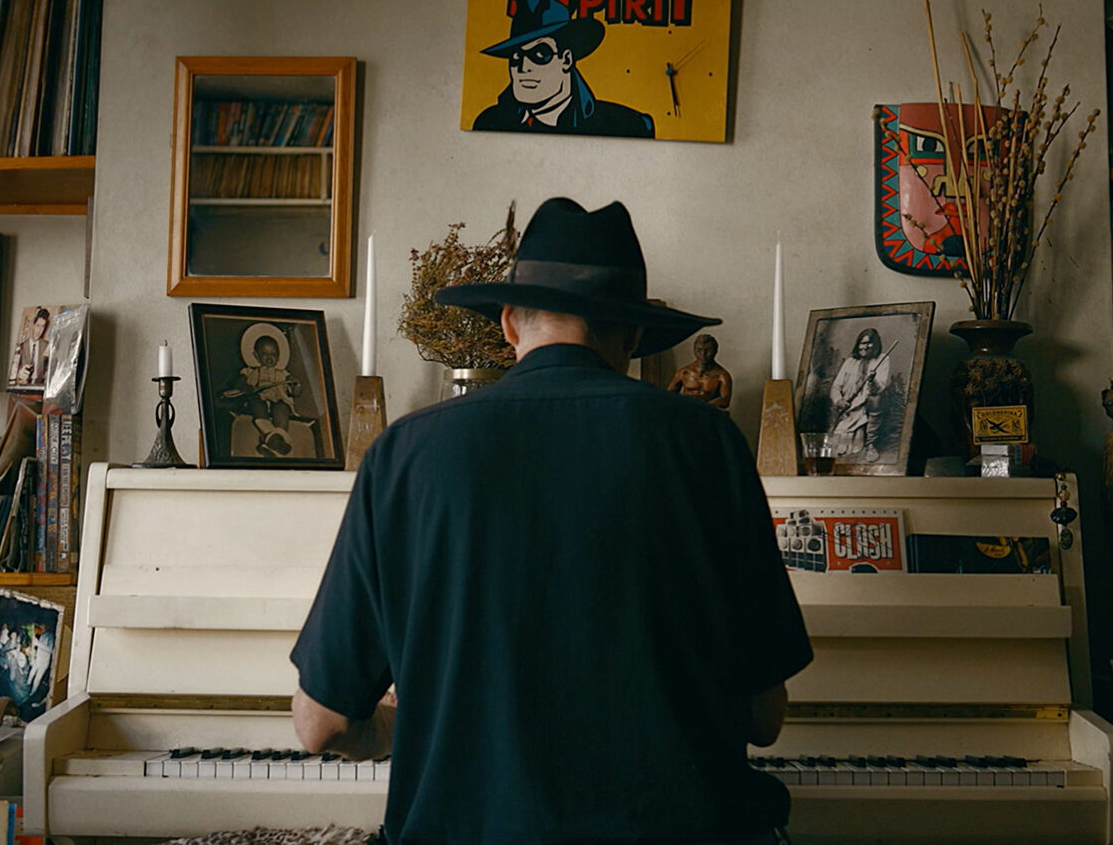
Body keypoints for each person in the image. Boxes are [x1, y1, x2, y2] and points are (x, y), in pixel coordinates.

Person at [292, 197, 813, 844]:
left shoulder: (405, 453)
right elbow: (764, 719)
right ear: (632, 337)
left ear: (509, 324)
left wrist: (404, 724)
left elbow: (321, 725)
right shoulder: (709, 444)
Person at [471, 0, 655, 138]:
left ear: (566, 60)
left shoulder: (627, 125)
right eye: (516, 57)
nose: (522, 67)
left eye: (539, 54)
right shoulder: (488, 122)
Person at [217, 324, 306, 457]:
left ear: (279, 356)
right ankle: (276, 440)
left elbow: (296, 393)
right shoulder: (251, 371)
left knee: (282, 408)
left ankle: (273, 439)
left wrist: (296, 385)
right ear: (256, 355)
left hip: (278, 400)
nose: (269, 357)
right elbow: (238, 381)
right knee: (256, 404)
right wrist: (244, 385)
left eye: (273, 354)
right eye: (265, 354)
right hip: (258, 399)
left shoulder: (283, 374)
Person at [828, 327, 891, 458]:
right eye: (862, 343)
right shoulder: (850, 362)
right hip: (848, 407)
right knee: (840, 440)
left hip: (867, 405)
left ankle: (871, 444)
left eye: (869, 343)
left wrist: (872, 381)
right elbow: (836, 387)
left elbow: (879, 389)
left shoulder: (882, 359)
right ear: (858, 344)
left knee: (876, 399)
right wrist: (839, 401)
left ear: (876, 344)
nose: (865, 347)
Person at [668, 332, 734, 410]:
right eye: (699, 350)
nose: (703, 354)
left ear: (715, 351)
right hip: (686, 411)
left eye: (708, 350)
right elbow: (669, 396)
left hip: (708, 413)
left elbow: (725, 401)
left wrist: (702, 408)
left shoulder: (722, 375)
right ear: (694, 350)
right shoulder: (684, 372)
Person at [12, 307, 52, 387]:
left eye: (42, 326)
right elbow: (14, 373)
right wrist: (19, 375)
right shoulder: (21, 347)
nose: (39, 331)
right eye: (38, 326)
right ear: (32, 325)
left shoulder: (47, 346)